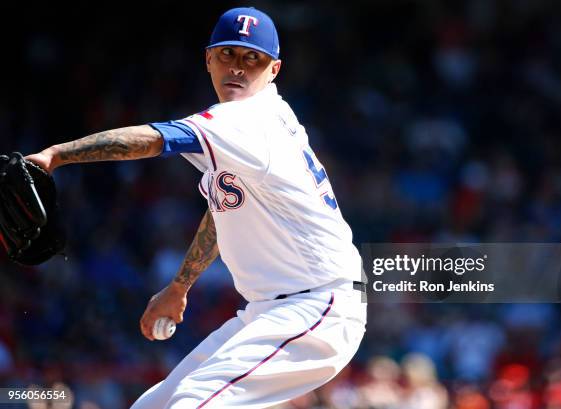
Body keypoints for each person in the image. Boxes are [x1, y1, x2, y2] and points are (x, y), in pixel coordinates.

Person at [26, 7, 367, 409]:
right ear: (208, 59)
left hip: (317, 305)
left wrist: (55, 155)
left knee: (191, 403)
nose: (238, 68)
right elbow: (224, 208)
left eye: (252, 59)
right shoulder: (258, 123)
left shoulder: (247, 120)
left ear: (273, 69)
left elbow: (156, 139)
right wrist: (180, 286)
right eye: (228, 55)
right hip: (277, 309)